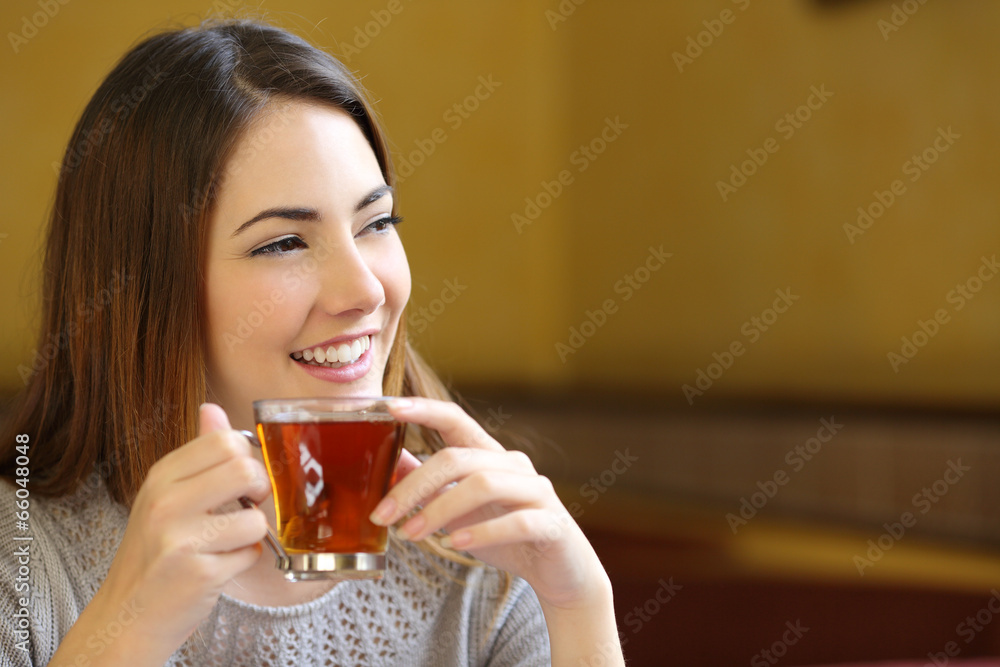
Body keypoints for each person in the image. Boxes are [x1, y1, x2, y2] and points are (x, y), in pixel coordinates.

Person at [0, 18, 625, 667]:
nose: (364, 289)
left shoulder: (484, 566)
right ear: (144, 289)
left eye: (376, 222)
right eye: (282, 242)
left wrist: (581, 601)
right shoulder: (21, 567)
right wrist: (123, 634)